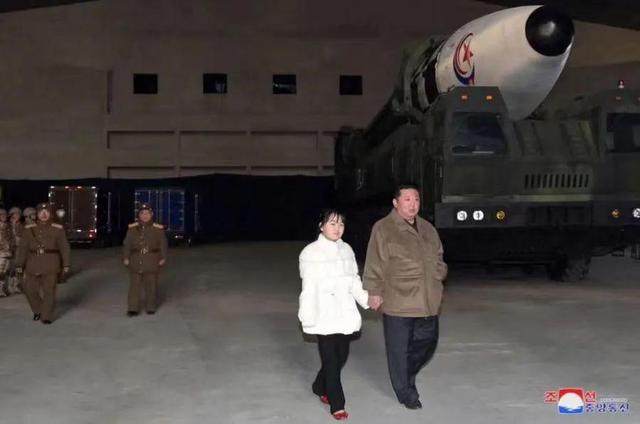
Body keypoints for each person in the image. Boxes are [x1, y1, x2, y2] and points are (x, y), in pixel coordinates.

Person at [363, 183, 447, 410]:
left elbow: (439, 254)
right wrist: (374, 292)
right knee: (398, 349)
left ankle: (403, 373)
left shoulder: (428, 228)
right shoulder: (383, 228)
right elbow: (374, 261)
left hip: (427, 299)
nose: (413, 204)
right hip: (398, 299)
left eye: (416, 199)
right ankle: (406, 393)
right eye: (407, 199)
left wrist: (440, 271)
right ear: (395, 202)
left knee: (428, 343)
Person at [298, 209, 375, 421]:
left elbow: (354, 281)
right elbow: (308, 288)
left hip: (344, 312)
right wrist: (307, 316)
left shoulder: (347, 250)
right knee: (332, 361)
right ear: (321, 226)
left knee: (340, 356)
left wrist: (366, 299)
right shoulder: (309, 253)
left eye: (341, 224)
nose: (337, 228)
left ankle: (319, 385)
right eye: (332, 223)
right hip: (323, 313)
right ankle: (337, 403)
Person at [16, 203, 71, 324]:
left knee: (49, 291)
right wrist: (19, 264)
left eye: (46, 212)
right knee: (29, 290)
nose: (44, 214)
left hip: (51, 264)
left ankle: (46, 316)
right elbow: (23, 248)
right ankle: (38, 310)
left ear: (50, 214)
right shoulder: (29, 229)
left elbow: (64, 247)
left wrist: (66, 264)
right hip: (32, 264)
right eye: (41, 212)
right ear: (37, 214)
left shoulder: (58, 228)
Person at [122, 203, 168, 316]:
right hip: (136, 259)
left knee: (151, 285)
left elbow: (163, 244)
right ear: (139, 215)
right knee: (134, 286)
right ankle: (133, 308)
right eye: (142, 213)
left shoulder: (158, 229)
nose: (145, 215)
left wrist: (163, 257)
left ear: (151, 214)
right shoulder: (132, 228)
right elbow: (127, 244)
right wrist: (126, 257)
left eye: (147, 213)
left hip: (152, 260)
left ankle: (150, 307)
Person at [7, 207, 23, 294]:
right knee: (11, 268)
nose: (17, 216)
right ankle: (10, 286)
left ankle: (16, 286)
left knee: (18, 268)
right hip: (10, 249)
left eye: (18, 214)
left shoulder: (21, 225)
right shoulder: (7, 225)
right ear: (11, 215)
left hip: (19, 249)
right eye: (15, 214)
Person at [0, 209, 15, 297]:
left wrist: (11, 247)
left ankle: (3, 289)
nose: (4, 217)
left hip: (8, 253)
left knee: (5, 271)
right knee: (0, 271)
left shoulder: (8, 226)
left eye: (4, 215)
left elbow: (12, 238)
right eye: (1, 215)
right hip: (1, 253)